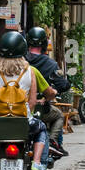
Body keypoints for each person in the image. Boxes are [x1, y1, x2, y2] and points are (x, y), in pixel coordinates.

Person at [0, 31, 51, 170]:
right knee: (41, 128)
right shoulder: (31, 71)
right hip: (24, 124)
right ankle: (36, 163)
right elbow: (31, 102)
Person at [25, 27, 69, 156]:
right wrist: (54, 91)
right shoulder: (50, 64)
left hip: (16, 107)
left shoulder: (19, 63)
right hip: (39, 109)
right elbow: (61, 85)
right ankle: (54, 141)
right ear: (45, 44)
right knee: (59, 115)